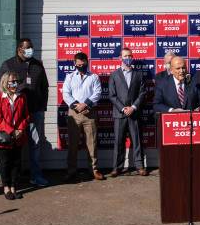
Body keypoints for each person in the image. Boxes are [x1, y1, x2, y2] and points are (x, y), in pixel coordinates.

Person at [0, 38, 49, 187]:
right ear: (19, 49)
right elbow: (1, 89)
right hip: (15, 114)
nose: (30, 50)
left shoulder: (37, 64)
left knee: (36, 144)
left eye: (31, 47)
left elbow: (44, 87)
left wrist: (42, 106)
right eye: (27, 48)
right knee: (13, 145)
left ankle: (36, 176)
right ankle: (13, 180)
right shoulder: (8, 65)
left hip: (34, 112)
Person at [62, 52, 104, 182]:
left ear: (87, 62)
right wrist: (77, 106)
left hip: (90, 113)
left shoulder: (94, 77)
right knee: (73, 144)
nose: (81, 66)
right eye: (78, 64)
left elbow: (98, 93)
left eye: (83, 64)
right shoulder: (69, 77)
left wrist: (86, 104)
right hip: (74, 114)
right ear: (75, 64)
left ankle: (94, 170)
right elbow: (66, 94)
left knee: (92, 143)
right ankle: (71, 171)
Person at [108, 48, 148, 177]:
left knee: (136, 141)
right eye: (125, 56)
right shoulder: (114, 75)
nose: (128, 58)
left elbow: (142, 93)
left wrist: (133, 107)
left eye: (130, 55)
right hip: (120, 114)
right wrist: (123, 108)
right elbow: (112, 95)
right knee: (118, 142)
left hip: (134, 113)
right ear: (120, 58)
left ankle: (139, 166)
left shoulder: (139, 74)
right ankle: (117, 167)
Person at [0, 72, 31, 200]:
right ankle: (6, 188)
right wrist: (12, 131)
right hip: (5, 136)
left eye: (16, 81)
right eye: (11, 81)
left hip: (19, 135)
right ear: (5, 83)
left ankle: (14, 187)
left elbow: (26, 116)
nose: (14, 84)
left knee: (16, 163)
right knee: (5, 163)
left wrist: (20, 129)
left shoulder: (22, 97)